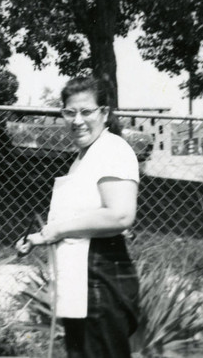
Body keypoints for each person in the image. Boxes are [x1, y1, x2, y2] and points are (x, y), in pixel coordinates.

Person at [16, 76, 140, 358]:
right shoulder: (86, 155)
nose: (77, 120)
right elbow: (80, 218)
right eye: (69, 112)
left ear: (104, 113)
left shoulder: (112, 150)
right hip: (83, 279)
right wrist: (37, 238)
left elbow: (120, 216)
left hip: (101, 276)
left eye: (86, 111)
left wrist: (56, 231)